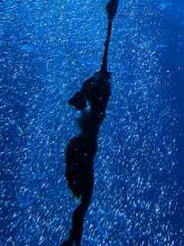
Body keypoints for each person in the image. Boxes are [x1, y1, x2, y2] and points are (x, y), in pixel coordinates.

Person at [61, 70, 112, 246]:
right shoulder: (95, 118)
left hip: (80, 150)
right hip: (82, 151)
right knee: (83, 205)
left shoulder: (83, 137)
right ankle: (74, 239)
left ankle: (74, 239)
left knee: (82, 206)